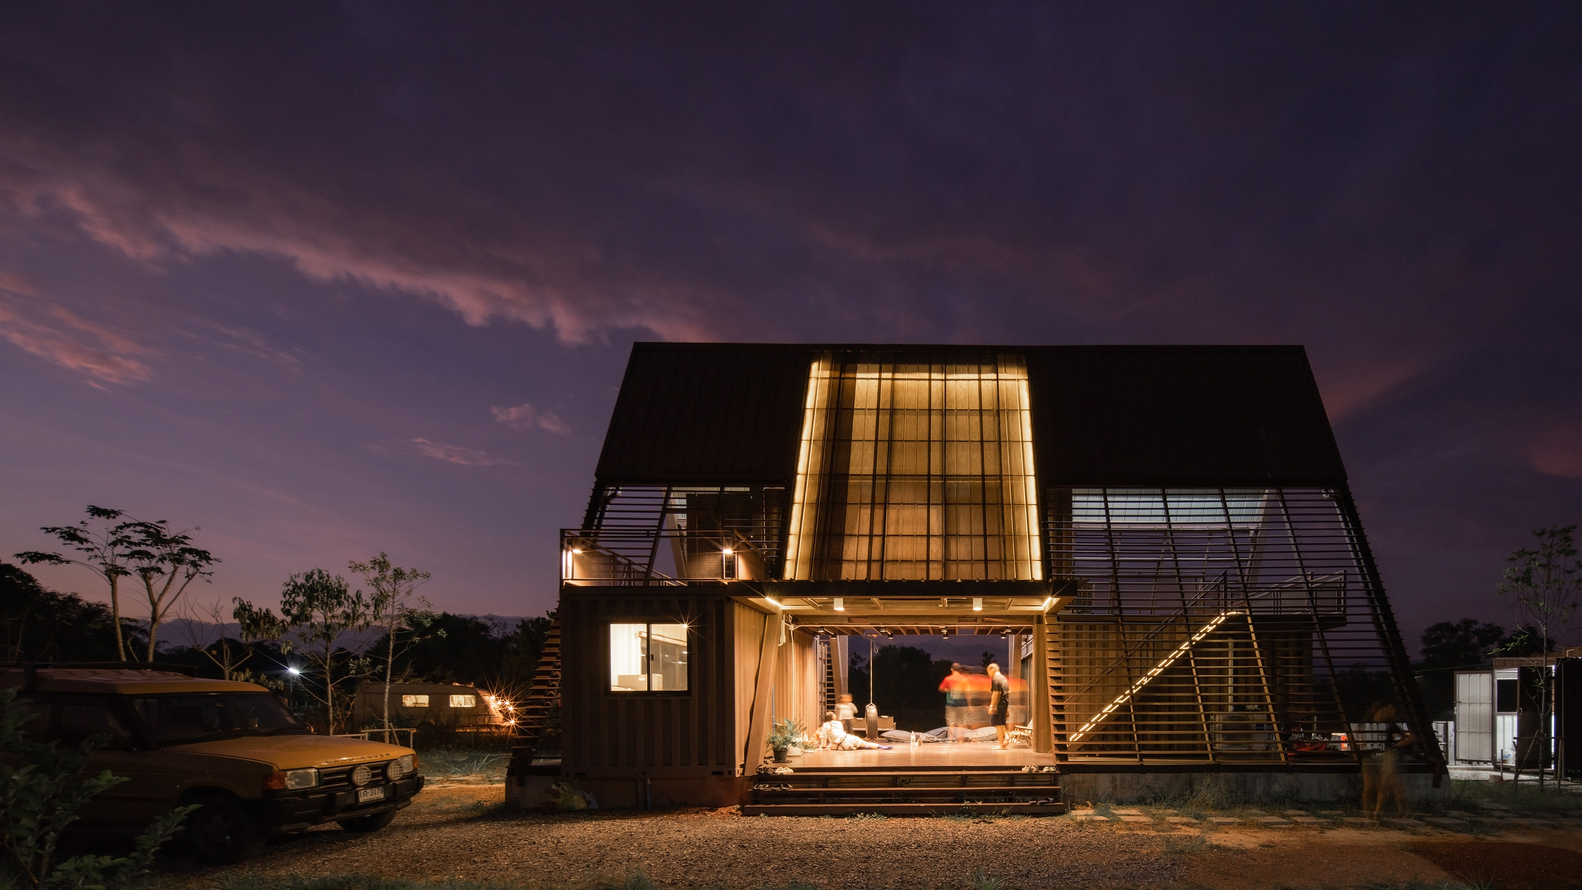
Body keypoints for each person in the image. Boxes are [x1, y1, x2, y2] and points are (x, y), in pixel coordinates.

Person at [817, 711, 892, 750]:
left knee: (855, 747)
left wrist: (823, 746)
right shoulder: (839, 723)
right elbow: (840, 734)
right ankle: (882, 747)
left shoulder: (825, 725)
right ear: (832, 717)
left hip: (843, 744)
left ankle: (862, 747)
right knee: (866, 743)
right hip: (848, 738)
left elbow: (824, 737)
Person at [938, 664, 968, 742]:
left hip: (951, 704)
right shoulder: (964, 679)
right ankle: (960, 740)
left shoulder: (948, 679)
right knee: (961, 723)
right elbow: (968, 692)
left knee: (951, 723)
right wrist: (970, 705)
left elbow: (940, 688)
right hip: (962, 704)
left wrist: (947, 689)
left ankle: (950, 740)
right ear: (960, 670)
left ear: (952, 669)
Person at [987, 662, 1011, 749]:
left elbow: (996, 693)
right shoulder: (1004, 679)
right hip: (1004, 703)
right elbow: (1008, 692)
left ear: (993, 670)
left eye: (988, 671)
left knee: (998, 724)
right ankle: (1003, 744)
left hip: (998, 705)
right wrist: (1006, 706)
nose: (988, 674)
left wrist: (992, 706)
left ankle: (1006, 737)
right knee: (1001, 724)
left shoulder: (995, 679)